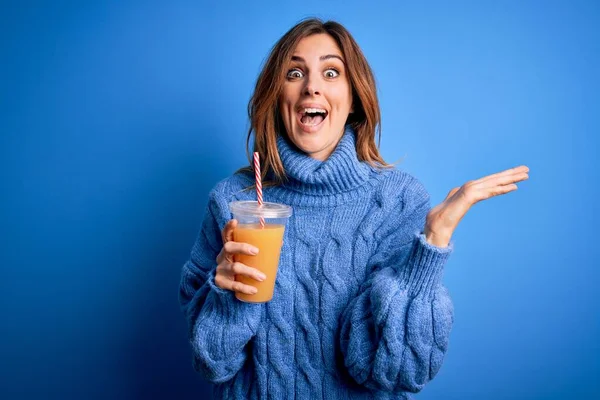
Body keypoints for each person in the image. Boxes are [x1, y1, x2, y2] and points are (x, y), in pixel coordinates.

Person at [179, 18, 529, 399]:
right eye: (294, 73)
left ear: (353, 100)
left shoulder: (398, 201)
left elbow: (396, 372)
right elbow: (212, 362)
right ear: (277, 96)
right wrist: (228, 295)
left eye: (331, 72)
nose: (312, 85)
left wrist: (431, 243)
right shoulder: (232, 200)